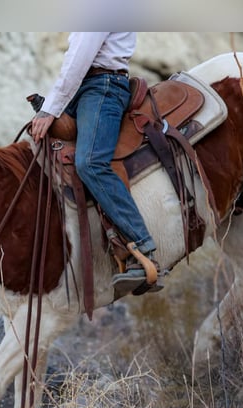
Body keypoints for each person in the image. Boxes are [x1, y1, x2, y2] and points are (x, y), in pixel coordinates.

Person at [30, 32, 162, 297]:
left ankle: (142, 243)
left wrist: (51, 108)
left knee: (90, 163)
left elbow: (79, 58)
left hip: (102, 86)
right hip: (85, 88)